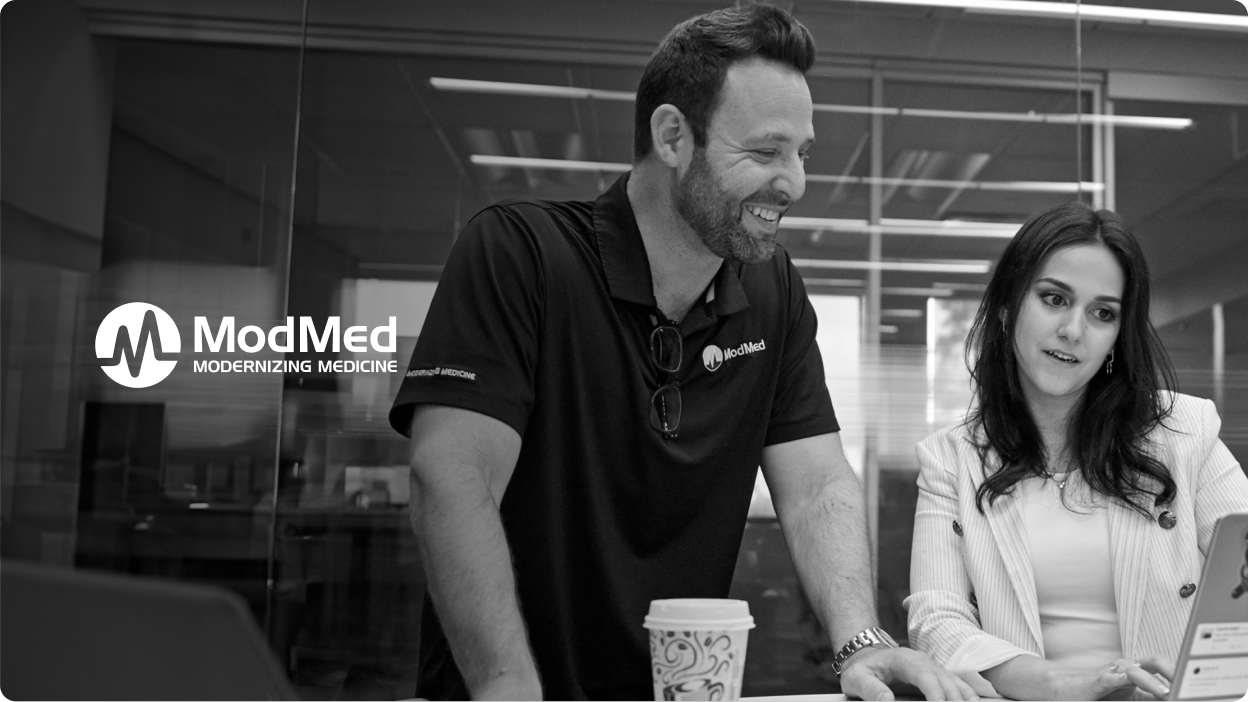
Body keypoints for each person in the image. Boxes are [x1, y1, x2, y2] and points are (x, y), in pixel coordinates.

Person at [389, 5, 976, 701]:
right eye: (764, 152)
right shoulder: (522, 254)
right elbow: (450, 475)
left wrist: (860, 642)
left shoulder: (772, 292)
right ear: (673, 136)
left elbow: (817, 485)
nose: (794, 182)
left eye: (802, 152)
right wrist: (506, 683)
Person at [905, 201, 1248, 700]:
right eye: (1053, 299)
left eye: (1102, 313)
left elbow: (1240, 559)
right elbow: (936, 621)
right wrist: (1058, 683)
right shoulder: (951, 459)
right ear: (1007, 306)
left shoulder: (1184, 432)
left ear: (1115, 337)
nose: (1073, 331)